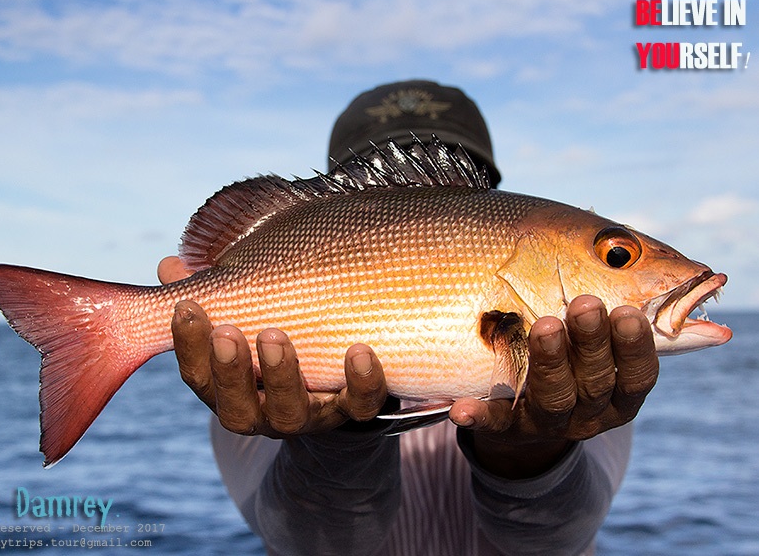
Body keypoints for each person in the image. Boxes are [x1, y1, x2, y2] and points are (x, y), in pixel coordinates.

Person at [157, 81, 659, 555]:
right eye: (378, 183)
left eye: (456, 176)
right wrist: (336, 440)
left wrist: (530, 451)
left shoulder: (589, 361)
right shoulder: (245, 365)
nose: (417, 197)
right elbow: (310, 543)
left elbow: (552, 542)